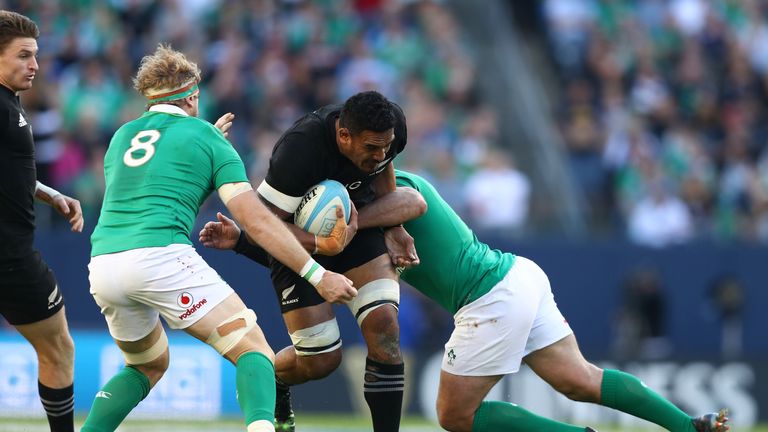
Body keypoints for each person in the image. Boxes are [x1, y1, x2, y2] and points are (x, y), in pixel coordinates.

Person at [201, 169, 730, 432]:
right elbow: (319, 256)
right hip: (517, 275)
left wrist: (265, 233)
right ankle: (692, 427)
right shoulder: (387, 195)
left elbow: (323, 249)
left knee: (454, 416)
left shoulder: (382, 205)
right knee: (579, 379)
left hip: (489, 299)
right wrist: (246, 241)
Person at [81, 44, 356, 432]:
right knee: (253, 349)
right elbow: (257, 222)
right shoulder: (210, 141)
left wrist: (203, 140)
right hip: (160, 257)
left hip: (103, 264)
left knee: (146, 365)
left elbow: (158, 179)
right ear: (193, 96)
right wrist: (317, 274)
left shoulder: (122, 137)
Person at [204, 90, 414, 432]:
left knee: (385, 327)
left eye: (386, 147)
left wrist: (395, 225)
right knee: (321, 361)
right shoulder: (299, 150)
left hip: (356, 227)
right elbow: (263, 228)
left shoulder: (391, 131)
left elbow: (385, 170)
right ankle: (271, 377)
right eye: (371, 148)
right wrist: (321, 243)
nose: (380, 155)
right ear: (344, 136)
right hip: (295, 241)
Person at [0, 10, 82, 432]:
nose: (34, 65)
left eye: (35, 55)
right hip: (10, 258)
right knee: (58, 348)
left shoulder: (10, 100)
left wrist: (49, 193)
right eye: (23, 55)